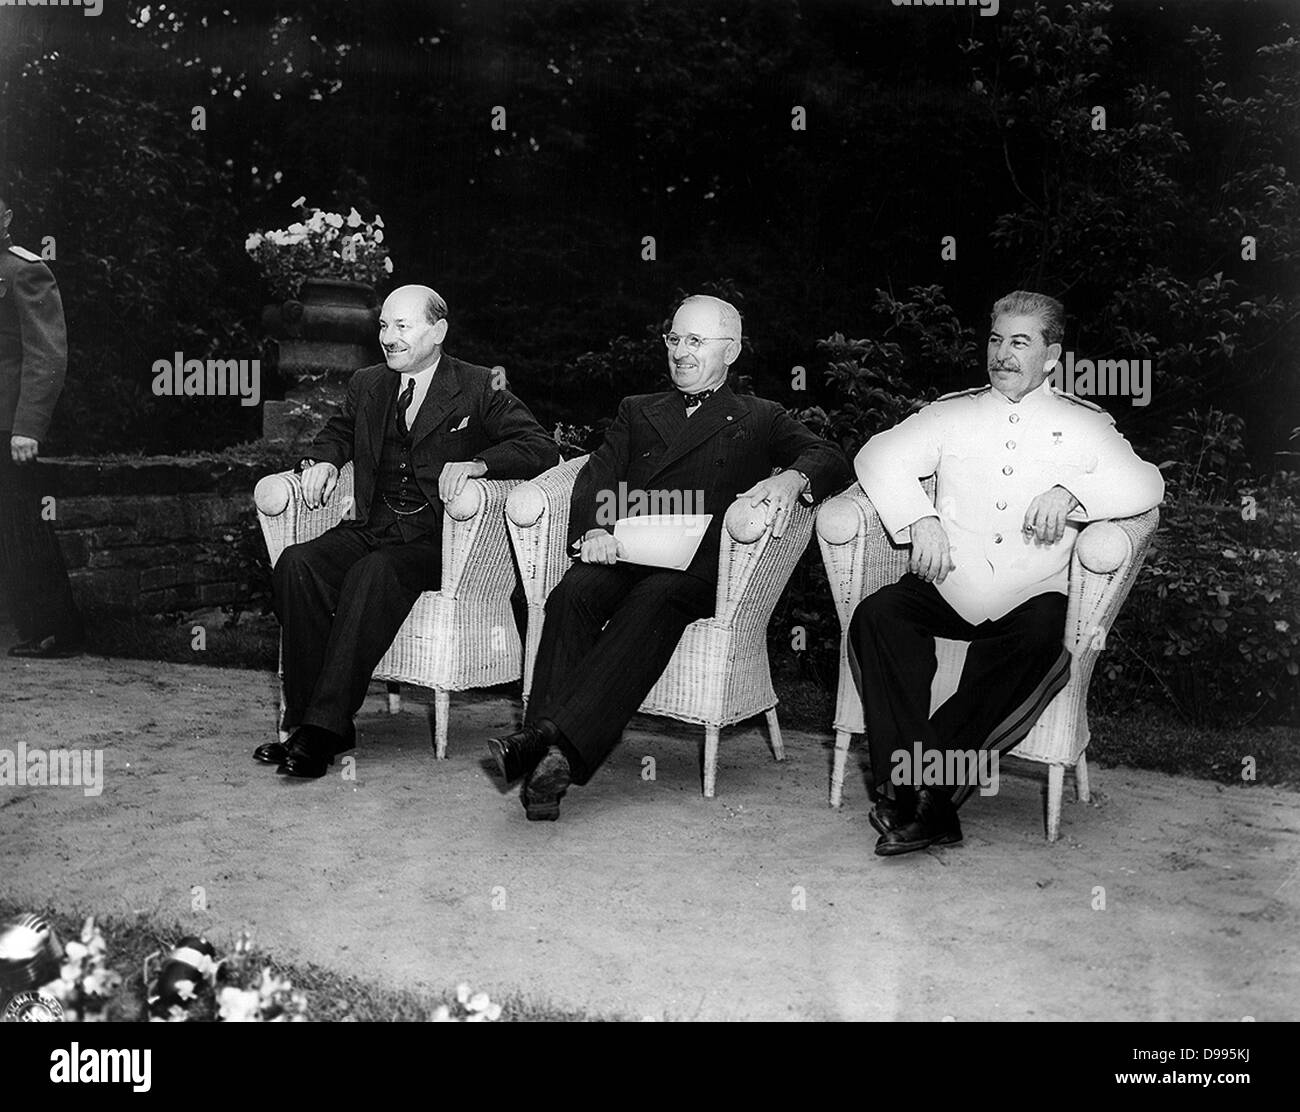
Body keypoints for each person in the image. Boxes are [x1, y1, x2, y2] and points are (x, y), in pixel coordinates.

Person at [487, 294, 851, 820]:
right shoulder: (638, 409)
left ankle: (544, 743)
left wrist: (794, 478)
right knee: (574, 591)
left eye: (696, 341)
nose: (681, 352)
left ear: (732, 350)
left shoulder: (760, 416)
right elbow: (597, 476)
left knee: (657, 599)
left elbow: (830, 455)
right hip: (629, 549)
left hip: (698, 569)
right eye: (674, 339)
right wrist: (594, 530)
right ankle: (551, 759)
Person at [849, 290, 1165, 856]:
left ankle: (914, 788)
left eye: (1020, 342)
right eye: (996, 340)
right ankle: (929, 801)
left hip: (1029, 593)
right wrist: (919, 519)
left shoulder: (1085, 424)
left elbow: (1148, 484)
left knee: (1043, 638)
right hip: (948, 582)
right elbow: (875, 456)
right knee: (878, 615)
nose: (1002, 354)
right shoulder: (951, 412)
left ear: (1052, 357)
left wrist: (1075, 492)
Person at [260, 284, 559, 778]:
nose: (389, 338)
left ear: (437, 331)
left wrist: (480, 464)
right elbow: (336, 432)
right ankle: (306, 722)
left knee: (374, 572)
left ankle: (323, 729)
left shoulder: (481, 385)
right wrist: (321, 461)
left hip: (438, 540)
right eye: (383, 326)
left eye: (403, 327)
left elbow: (540, 447)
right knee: (298, 562)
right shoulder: (368, 383)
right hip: (374, 526)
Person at [0, 185, 85, 658]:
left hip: (7, 423)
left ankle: (55, 628)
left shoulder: (24, 269)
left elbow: (47, 354)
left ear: (7, 218)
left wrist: (28, 426)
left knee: (21, 523)